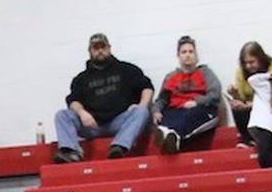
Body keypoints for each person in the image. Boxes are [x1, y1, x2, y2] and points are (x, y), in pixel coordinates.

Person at [53, 33, 153, 162]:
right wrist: (82, 113)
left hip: (120, 122)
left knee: (142, 112)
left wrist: (141, 105)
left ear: (109, 48)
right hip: (92, 126)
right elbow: (73, 101)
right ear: (90, 51)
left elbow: (147, 87)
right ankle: (71, 152)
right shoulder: (81, 79)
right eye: (96, 48)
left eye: (103, 47)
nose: (100, 51)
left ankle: (119, 146)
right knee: (62, 115)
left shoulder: (126, 69)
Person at [152, 35, 222, 153]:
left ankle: (171, 136)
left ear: (196, 55)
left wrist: (196, 102)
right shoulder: (170, 77)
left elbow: (215, 95)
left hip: (200, 109)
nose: (188, 55)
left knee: (189, 116)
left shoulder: (205, 73)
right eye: (184, 52)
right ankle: (169, 136)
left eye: (191, 51)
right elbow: (162, 99)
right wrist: (156, 111)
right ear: (178, 56)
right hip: (175, 110)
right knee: (166, 117)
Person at [227, 42, 272, 168]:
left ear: (261, 59)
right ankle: (248, 138)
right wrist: (235, 95)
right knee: (236, 106)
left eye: (252, 62)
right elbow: (243, 98)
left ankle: (263, 140)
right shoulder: (241, 71)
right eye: (246, 63)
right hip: (256, 110)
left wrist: (249, 105)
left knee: (265, 156)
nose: (248, 66)